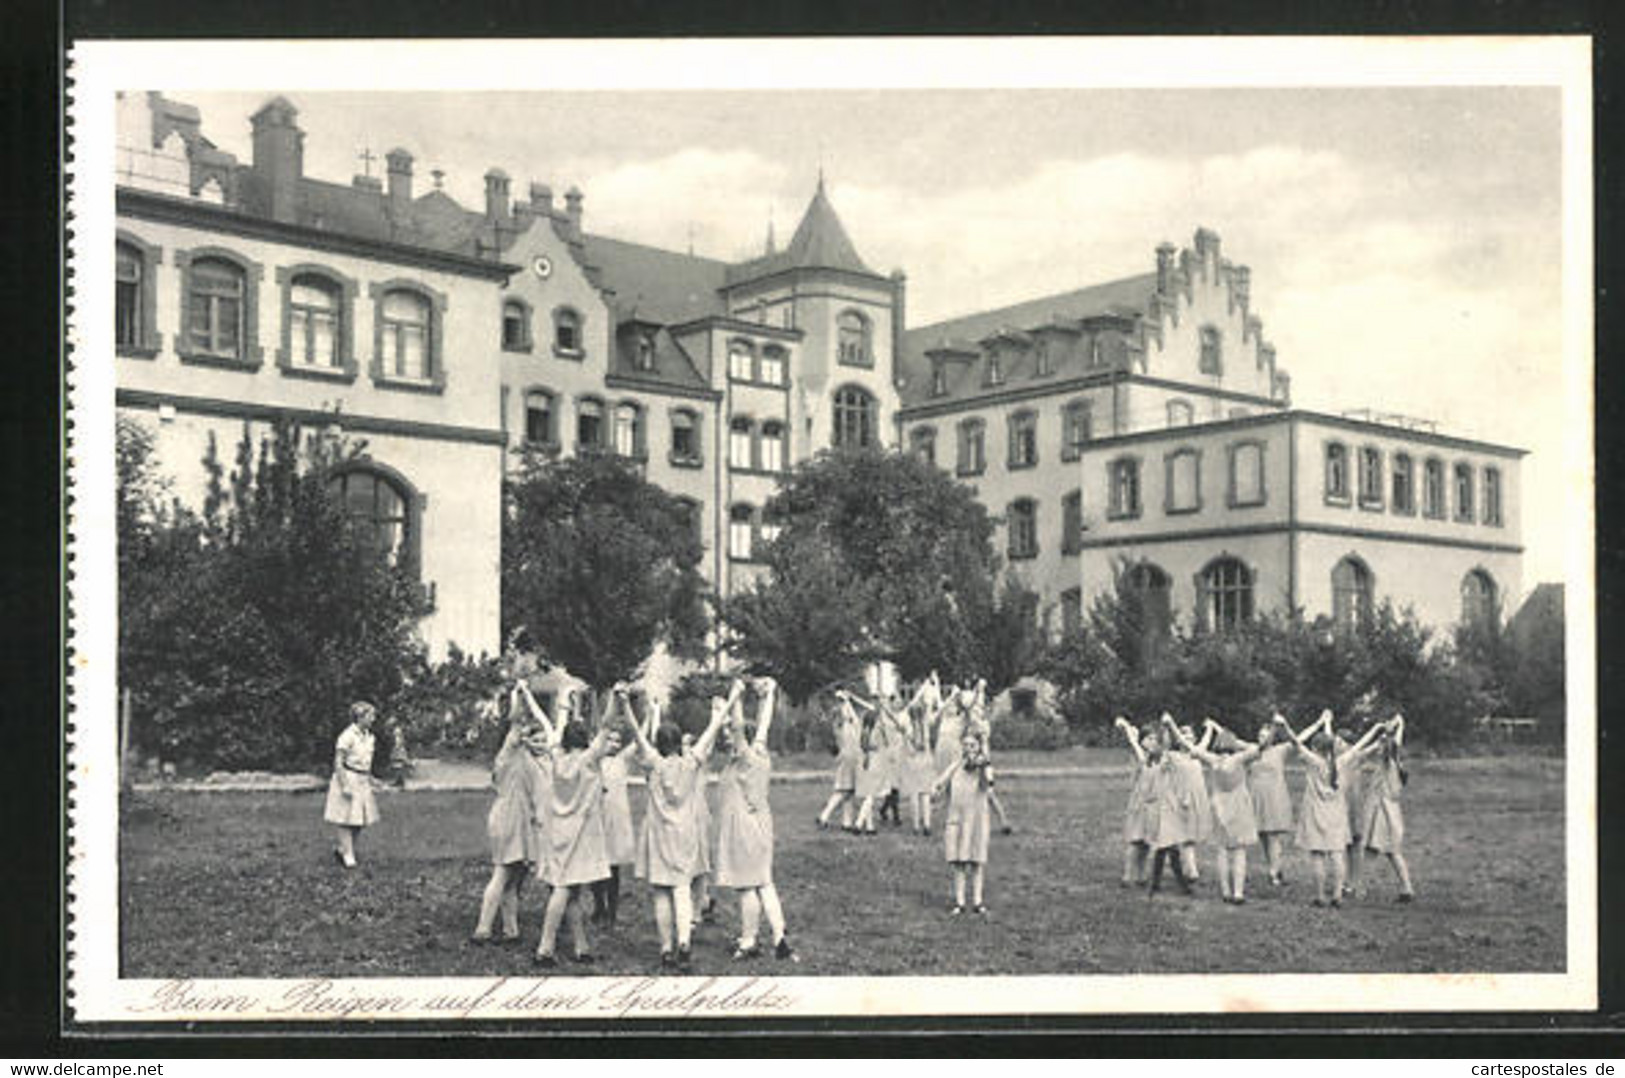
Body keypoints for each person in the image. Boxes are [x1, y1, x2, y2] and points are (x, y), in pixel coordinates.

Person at [627, 684, 728, 970]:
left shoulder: (653, 764)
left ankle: (665, 948)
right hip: (685, 834)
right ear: (676, 743)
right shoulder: (689, 763)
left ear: (658, 744)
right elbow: (710, 732)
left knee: (661, 893)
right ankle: (684, 942)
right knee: (682, 890)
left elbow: (636, 731)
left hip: (658, 835)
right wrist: (728, 703)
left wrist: (625, 704)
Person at [715, 677, 798, 962]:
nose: (728, 735)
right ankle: (779, 936)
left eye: (731, 733)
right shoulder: (760, 753)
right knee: (765, 882)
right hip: (762, 824)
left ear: (742, 740)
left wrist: (735, 697)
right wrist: (771, 693)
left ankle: (749, 940)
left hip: (744, 829)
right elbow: (764, 723)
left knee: (747, 886)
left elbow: (739, 727)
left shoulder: (744, 758)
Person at [532, 710, 622, 967]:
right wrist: (616, 700)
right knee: (564, 889)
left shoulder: (556, 758)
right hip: (580, 834)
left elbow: (547, 724)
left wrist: (533, 697)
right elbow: (606, 725)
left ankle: (581, 945)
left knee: (571, 892)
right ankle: (545, 948)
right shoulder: (588, 760)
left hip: (558, 831)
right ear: (584, 740)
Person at [1277, 710, 1386, 908]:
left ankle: (1320, 896)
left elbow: (1294, 742)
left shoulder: (1314, 761)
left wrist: (1284, 725)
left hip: (1315, 814)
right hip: (1337, 815)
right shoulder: (1343, 761)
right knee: (1337, 855)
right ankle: (1337, 895)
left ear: (1316, 749)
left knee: (1318, 855)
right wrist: (1376, 729)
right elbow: (1361, 744)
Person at [472, 685, 555, 943]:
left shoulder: (536, 760)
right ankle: (482, 928)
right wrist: (520, 694)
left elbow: (546, 732)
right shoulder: (513, 754)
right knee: (503, 872)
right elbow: (517, 721)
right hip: (509, 818)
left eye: (541, 740)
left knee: (514, 876)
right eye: (533, 738)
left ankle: (511, 929)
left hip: (523, 820)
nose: (538, 743)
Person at [1167, 716, 1262, 904]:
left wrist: (1171, 725)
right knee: (1239, 851)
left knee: (1222, 850)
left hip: (1219, 806)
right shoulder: (1240, 758)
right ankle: (1238, 893)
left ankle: (1226, 891)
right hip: (1240, 806)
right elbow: (1259, 747)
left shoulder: (1212, 759)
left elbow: (1184, 743)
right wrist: (1236, 741)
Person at [932, 730, 994, 915]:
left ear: (979, 747)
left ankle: (977, 901)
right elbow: (940, 783)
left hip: (976, 817)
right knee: (958, 861)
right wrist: (937, 790)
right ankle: (959, 902)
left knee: (976, 861)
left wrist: (982, 768)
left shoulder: (985, 766)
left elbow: (986, 787)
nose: (968, 750)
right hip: (957, 816)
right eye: (965, 746)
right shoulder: (956, 765)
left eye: (972, 746)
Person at [1355, 715, 1416, 903]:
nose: (1378, 749)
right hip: (1392, 814)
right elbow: (1395, 745)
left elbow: (1392, 746)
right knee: (1393, 852)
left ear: (1385, 752)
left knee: (1372, 851)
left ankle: (1361, 890)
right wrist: (1400, 724)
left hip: (1382, 814)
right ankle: (1407, 888)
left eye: (1380, 747)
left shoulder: (1387, 765)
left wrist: (1392, 729)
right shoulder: (1395, 765)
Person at [591, 690, 638, 929]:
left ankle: (612, 911)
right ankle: (598, 905)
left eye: (618, 741)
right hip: (597, 819)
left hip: (616, 820)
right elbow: (603, 725)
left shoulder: (622, 761)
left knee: (614, 867)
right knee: (596, 865)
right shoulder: (594, 760)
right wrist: (613, 699)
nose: (614, 744)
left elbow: (641, 737)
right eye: (610, 740)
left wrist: (653, 714)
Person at [323, 701, 380, 868]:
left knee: (360, 819)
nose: (373, 719)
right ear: (360, 717)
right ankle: (348, 855)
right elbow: (338, 762)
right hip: (348, 778)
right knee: (345, 818)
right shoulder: (347, 735)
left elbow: (365, 763)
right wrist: (344, 785)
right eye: (370, 716)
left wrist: (371, 778)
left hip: (362, 780)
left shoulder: (370, 737)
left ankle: (343, 849)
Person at [1247, 717, 1295, 887]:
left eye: (1265, 735)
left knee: (1273, 835)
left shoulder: (1280, 750)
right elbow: (1233, 742)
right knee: (1263, 836)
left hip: (1275, 797)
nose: (1262, 738)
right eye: (1259, 735)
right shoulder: (1252, 750)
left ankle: (1273, 873)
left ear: (1272, 737)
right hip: (1257, 797)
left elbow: (1298, 740)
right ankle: (1275, 868)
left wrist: (1284, 725)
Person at [1112, 715, 1157, 888]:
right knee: (1135, 840)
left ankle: (1141, 875)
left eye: (1155, 739)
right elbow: (1135, 746)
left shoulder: (1155, 757)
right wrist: (1127, 729)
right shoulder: (1140, 756)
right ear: (1142, 741)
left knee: (1146, 842)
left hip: (1152, 804)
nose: (1153, 742)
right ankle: (1127, 875)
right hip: (1140, 804)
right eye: (1149, 738)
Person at [901, 674, 949, 836]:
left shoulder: (907, 728)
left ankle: (916, 826)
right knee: (925, 794)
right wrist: (935, 685)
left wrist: (922, 689)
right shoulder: (927, 724)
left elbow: (908, 749)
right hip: (927, 761)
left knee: (914, 795)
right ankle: (927, 825)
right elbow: (940, 708)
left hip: (913, 761)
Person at [815, 692, 863, 831]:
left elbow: (848, 714)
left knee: (849, 791)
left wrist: (844, 700)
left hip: (846, 757)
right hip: (851, 758)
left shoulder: (838, 725)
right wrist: (846, 700)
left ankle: (846, 822)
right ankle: (823, 816)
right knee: (843, 790)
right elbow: (853, 716)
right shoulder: (848, 725)